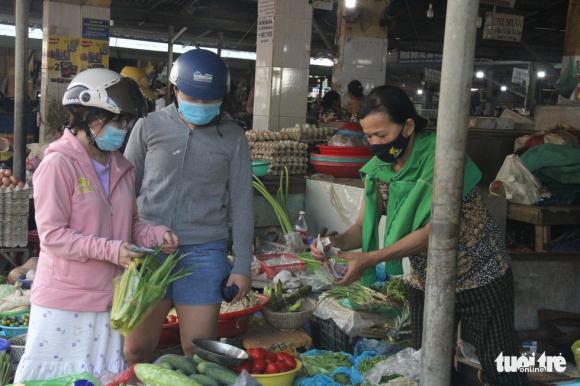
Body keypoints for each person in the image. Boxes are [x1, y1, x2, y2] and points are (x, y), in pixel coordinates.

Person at [312, 85, 528, 386]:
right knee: (426, 364)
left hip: (480, 274)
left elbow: (437, 232)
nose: (375, 144)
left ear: (409, 126)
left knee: (500, 365)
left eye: (382, 135)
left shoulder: (444, 160)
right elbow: (362, 229)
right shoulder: (379, 170)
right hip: (427, 281)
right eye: (369, 136)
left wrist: (371, 258)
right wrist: (331, 244)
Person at [14, 69, 179, 382]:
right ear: (86, 115)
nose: (123, 129)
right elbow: (53, 236)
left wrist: (156, 234)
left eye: (127, 122)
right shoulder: (58, 164)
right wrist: (113, 251)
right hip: (65, 301)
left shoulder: (122, 167)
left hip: (110, 301)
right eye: (117, 120)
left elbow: (128, 224)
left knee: (103, 377)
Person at [123, 49, 254, 363]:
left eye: (210, 101)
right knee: (135, 349)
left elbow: (242, 202)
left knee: (198, 351)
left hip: (204, 254)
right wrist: (121, 244)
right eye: (193, 98)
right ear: (175, 90)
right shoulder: (149, 126)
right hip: (149, 252)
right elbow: (124, 190)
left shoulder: (233, 137)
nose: (201, 107)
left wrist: (242, 267)